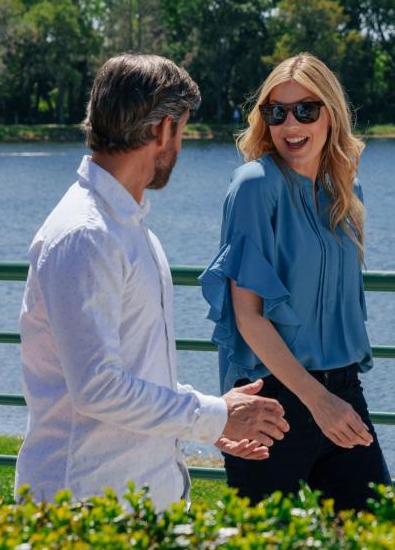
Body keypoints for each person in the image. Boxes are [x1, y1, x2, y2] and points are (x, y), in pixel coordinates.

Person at [15, 54, 289, 509]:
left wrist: (208, 424)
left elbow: (136, 376)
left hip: (129, 500)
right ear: (162, 130)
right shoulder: (88, 235)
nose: (179, 146)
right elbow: (99, 387)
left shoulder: (125, 229)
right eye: (180, 130)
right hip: (86, 507)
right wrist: (215, 415)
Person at [200, 53, 390, 511]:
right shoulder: (253, 185)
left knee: (377, 534)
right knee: (268, 541)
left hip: (343, 391)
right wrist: (316, 401)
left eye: (305, 109)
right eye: (276, 112)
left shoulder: (347, 193)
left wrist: (331, 400)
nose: (291, 124)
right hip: (273, 402)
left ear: (331, 114)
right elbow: (248, 317)